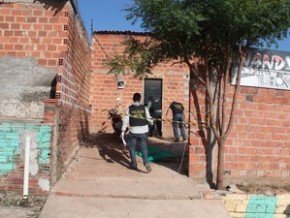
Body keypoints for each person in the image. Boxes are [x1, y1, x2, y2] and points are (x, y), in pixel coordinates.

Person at [121, 93, 153, 173]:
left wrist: (122, 131)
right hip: (143, 131)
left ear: (133, 99)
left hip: (133, 131)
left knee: (132, 147)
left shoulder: (129, 108)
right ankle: (146, 163)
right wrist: (151, 123)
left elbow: (126, 120)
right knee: (143, 148)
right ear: (140, 99)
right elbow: (149, 119)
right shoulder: (144, 108)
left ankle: (134, 165)